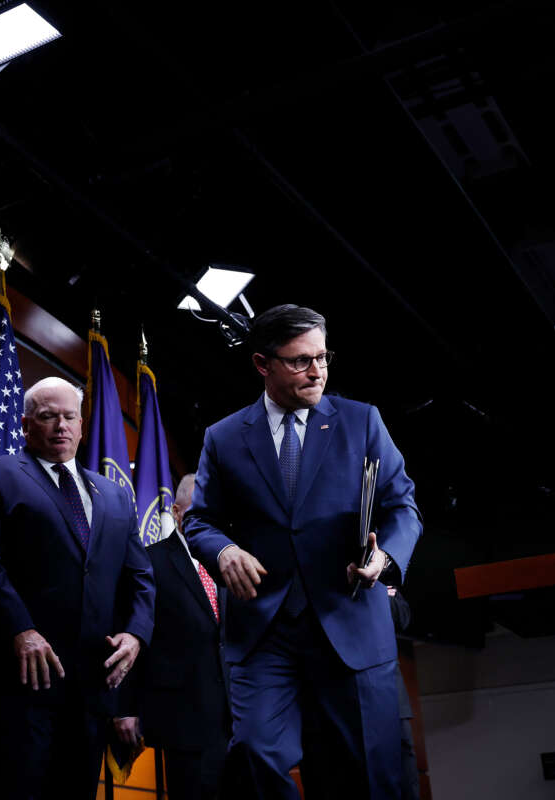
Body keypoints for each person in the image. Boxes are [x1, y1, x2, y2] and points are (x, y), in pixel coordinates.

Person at [185, 304, 422, 799]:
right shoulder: (224, 437)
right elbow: (200, 520)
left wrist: (384, 559)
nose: (317, 372)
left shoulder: (362, 422)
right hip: (264, 629)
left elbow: (402, 506)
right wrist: (224, 550)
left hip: (350, 615)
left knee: (368, 774)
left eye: (323, 357)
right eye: (300, 361)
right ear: (261, 364)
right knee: (253, 752)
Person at [0, 377, 155, 800]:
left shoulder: (116, 496)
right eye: (48, 417)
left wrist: (136, 634)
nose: (60, 426)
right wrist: (19, 630)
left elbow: (139, 577)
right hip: (23, 679)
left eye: (69, 417)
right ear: (26, 425)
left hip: (92, 683)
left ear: (82, 426)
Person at [114, 473, 231, 800]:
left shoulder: (227, 562)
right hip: (184, 718)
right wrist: (125, 707)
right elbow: (131, 634)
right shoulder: (149, 562)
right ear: (178, 512)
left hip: (236, 716)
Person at [388, 585, 419, 800]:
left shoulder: (383, 576)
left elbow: (403, 619)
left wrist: (379, 596)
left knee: (403, 756)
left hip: (389, 689)